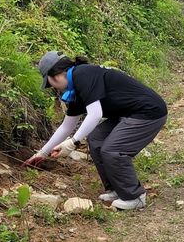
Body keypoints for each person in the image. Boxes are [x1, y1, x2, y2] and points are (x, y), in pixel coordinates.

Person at [24, 52, 168, 210]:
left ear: (55, 76)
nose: (53, 88)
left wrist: (73, 143)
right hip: (127, 114)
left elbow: (95, 114)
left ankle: (135, 196)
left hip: (148, 112)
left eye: (50, 83)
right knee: (96, 139)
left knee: (113, 149)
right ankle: (117, 189)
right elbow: (66, 126)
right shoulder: (75, 89)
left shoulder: (83, 74)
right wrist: (42, 153)